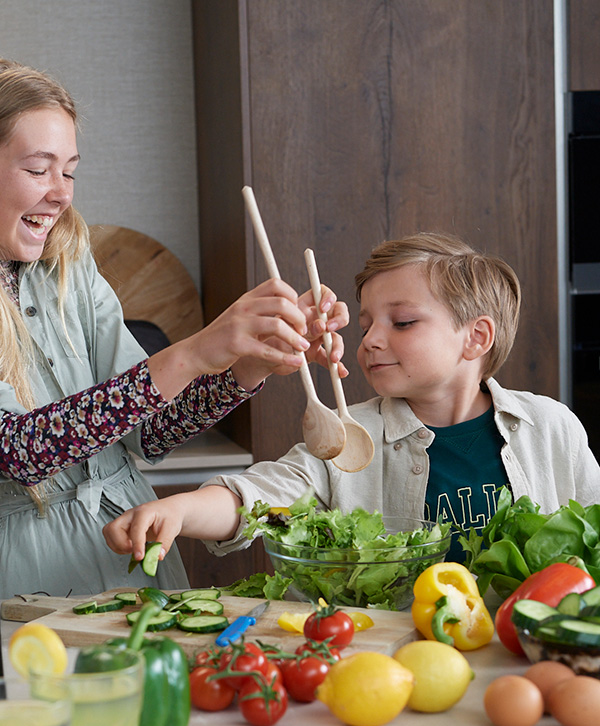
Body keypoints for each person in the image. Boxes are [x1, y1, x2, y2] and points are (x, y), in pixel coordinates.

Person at [0, 58, 349, 600]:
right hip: (23, 577)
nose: (62, 194)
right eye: (38, 169)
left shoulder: (68, 263)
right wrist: (193, 352)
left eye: (69, 170)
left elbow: (149, 430)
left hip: (130, 556)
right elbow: (19, 453)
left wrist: (246, 360)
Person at [104, 232, 600, 569]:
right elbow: (260, 496)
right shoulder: (347, 438)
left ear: (476, 337)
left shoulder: (551, 428)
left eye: (401, 322)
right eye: (365, 325)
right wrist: (183, 510)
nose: (371, 340)